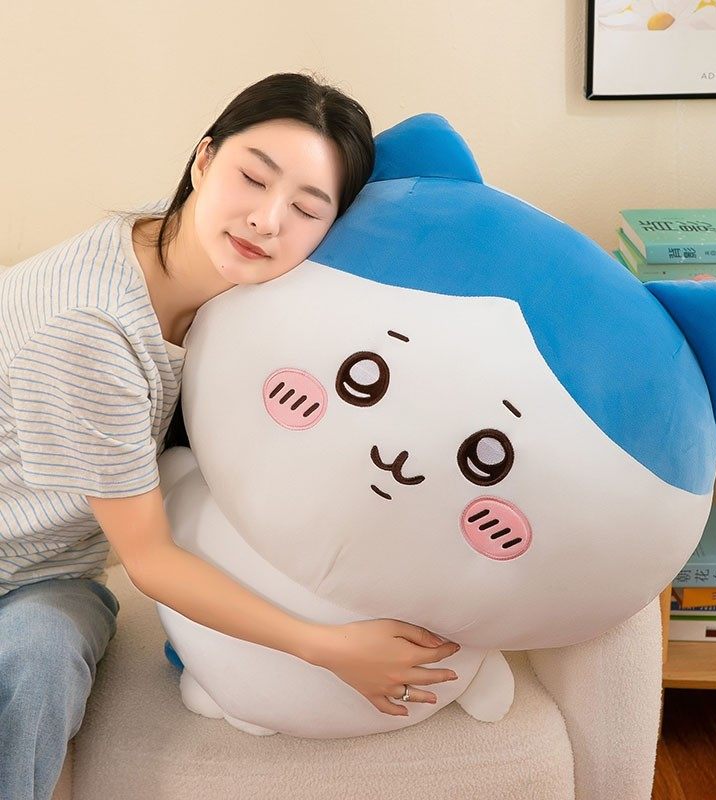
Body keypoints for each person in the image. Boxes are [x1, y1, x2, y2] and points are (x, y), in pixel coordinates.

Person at [0, 72, 460, 800]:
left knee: (41, 644)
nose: (266, 220)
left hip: (46, 579)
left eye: (306, 208)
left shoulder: (214, 275)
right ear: (204, 159)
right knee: (35, 657)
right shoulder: (90, 330)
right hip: (26, 576)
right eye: (253, 177)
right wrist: (331, 647)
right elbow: (150, 560)